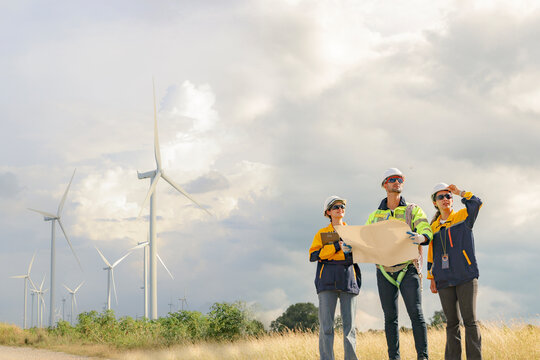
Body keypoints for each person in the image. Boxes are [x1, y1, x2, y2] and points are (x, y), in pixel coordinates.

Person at [365, 168, 432, 360]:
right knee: (390, 318)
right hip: (384, 271)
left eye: (400, 179)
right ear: (385, 185)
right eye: (393, 179)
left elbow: (425, 227)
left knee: (416, 315)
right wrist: (351, 247)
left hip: (407, 268)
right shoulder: (375, 215)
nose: (397, 182)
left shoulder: (413, 209)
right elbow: (365, 239)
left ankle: (423, 357)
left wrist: (422, 237)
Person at [427, 183, 483, 360]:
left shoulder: (462, 216)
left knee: (470, 321)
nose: (445, 199)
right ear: (435, 202)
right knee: (451, 324)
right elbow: (431, 256)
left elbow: (476, 203)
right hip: (444, 280)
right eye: (441, 197)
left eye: (448, 196)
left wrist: (459, 192)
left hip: (466, 276)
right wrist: (432, 278)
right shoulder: (433, 227)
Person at [309, 195, 361, 360]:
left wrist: (347, 251)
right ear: (328, 212)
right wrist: (336, 246)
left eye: (342, 207)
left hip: (348, 281)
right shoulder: (322, 233)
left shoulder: (353, 232)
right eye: (336, 207)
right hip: (326, 282)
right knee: (326, 327)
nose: (340, 209)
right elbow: (314, 255)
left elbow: (360, 255)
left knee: (349, 328)